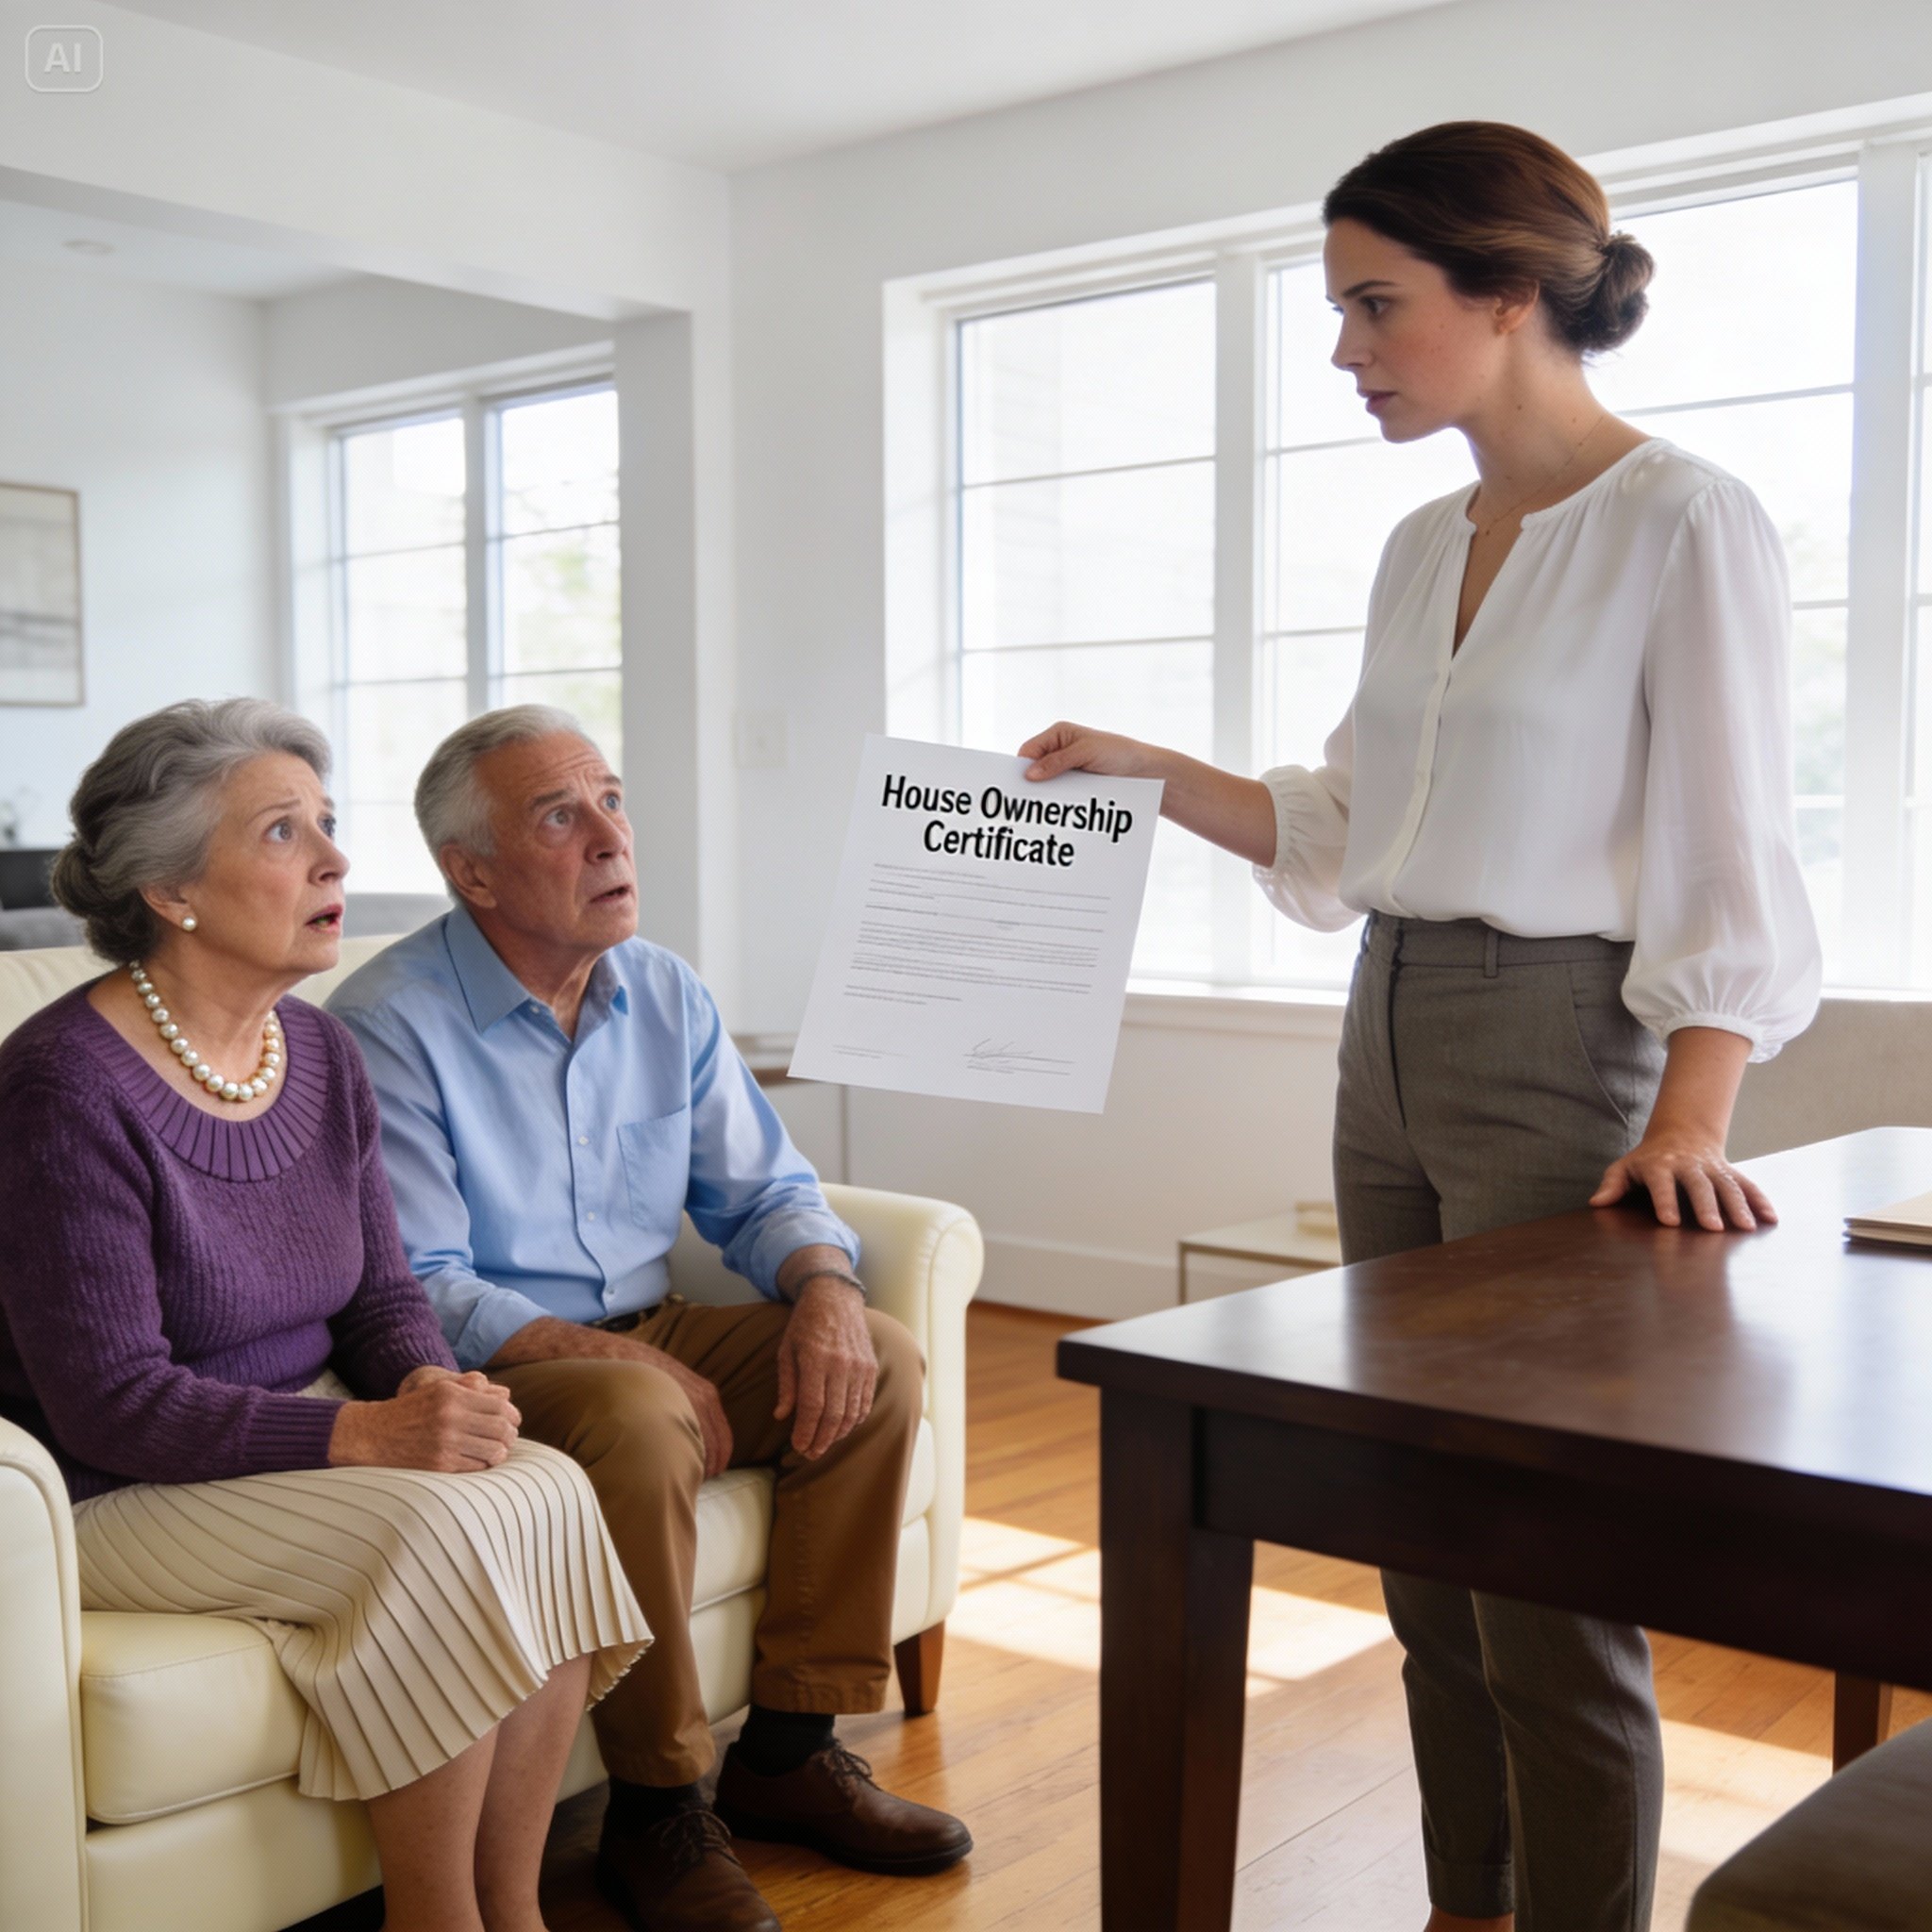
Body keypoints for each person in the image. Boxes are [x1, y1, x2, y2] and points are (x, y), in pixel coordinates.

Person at [1020, 122, 1822, 1932]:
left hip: (1564, 1053)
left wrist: (1688, 1120)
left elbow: (1731, 854)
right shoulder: (1417, 544)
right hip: (1381, 1036)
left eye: (1377, 306)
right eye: (1340, 309)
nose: (1346, 349)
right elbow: (1346, 828)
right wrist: (1154, 775)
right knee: (1420, 1555)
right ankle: (1471, 1905)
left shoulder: (1685, 520)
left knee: (1543, 1575)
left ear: (1511, 295)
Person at [0, 699, 650, 1932]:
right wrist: (363, 1439)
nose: (338, 861)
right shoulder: (61, 1086)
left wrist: (421, 1387)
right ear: (174, 890)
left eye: (330, 825)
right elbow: (108, 1399)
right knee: (439, 1529)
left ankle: (510, 1912)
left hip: (284, 1435)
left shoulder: (317, 1050)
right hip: (110, 1485)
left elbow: (382, 1294)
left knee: (550, 1486)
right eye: (284, 833)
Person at [327, 706, 971, 1932]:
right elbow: (419, 1282)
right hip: (497, 1364)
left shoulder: (661, 988)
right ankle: (659, 1805)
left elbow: (766, 1190)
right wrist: (610, 1354)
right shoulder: (388, 1024)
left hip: (648, 1323)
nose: (609, 835)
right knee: (634, 1409)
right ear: (472, 871)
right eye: (559, 816)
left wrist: (828, 1289)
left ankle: (787, 1750)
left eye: (612, 800)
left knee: (878, 1357)